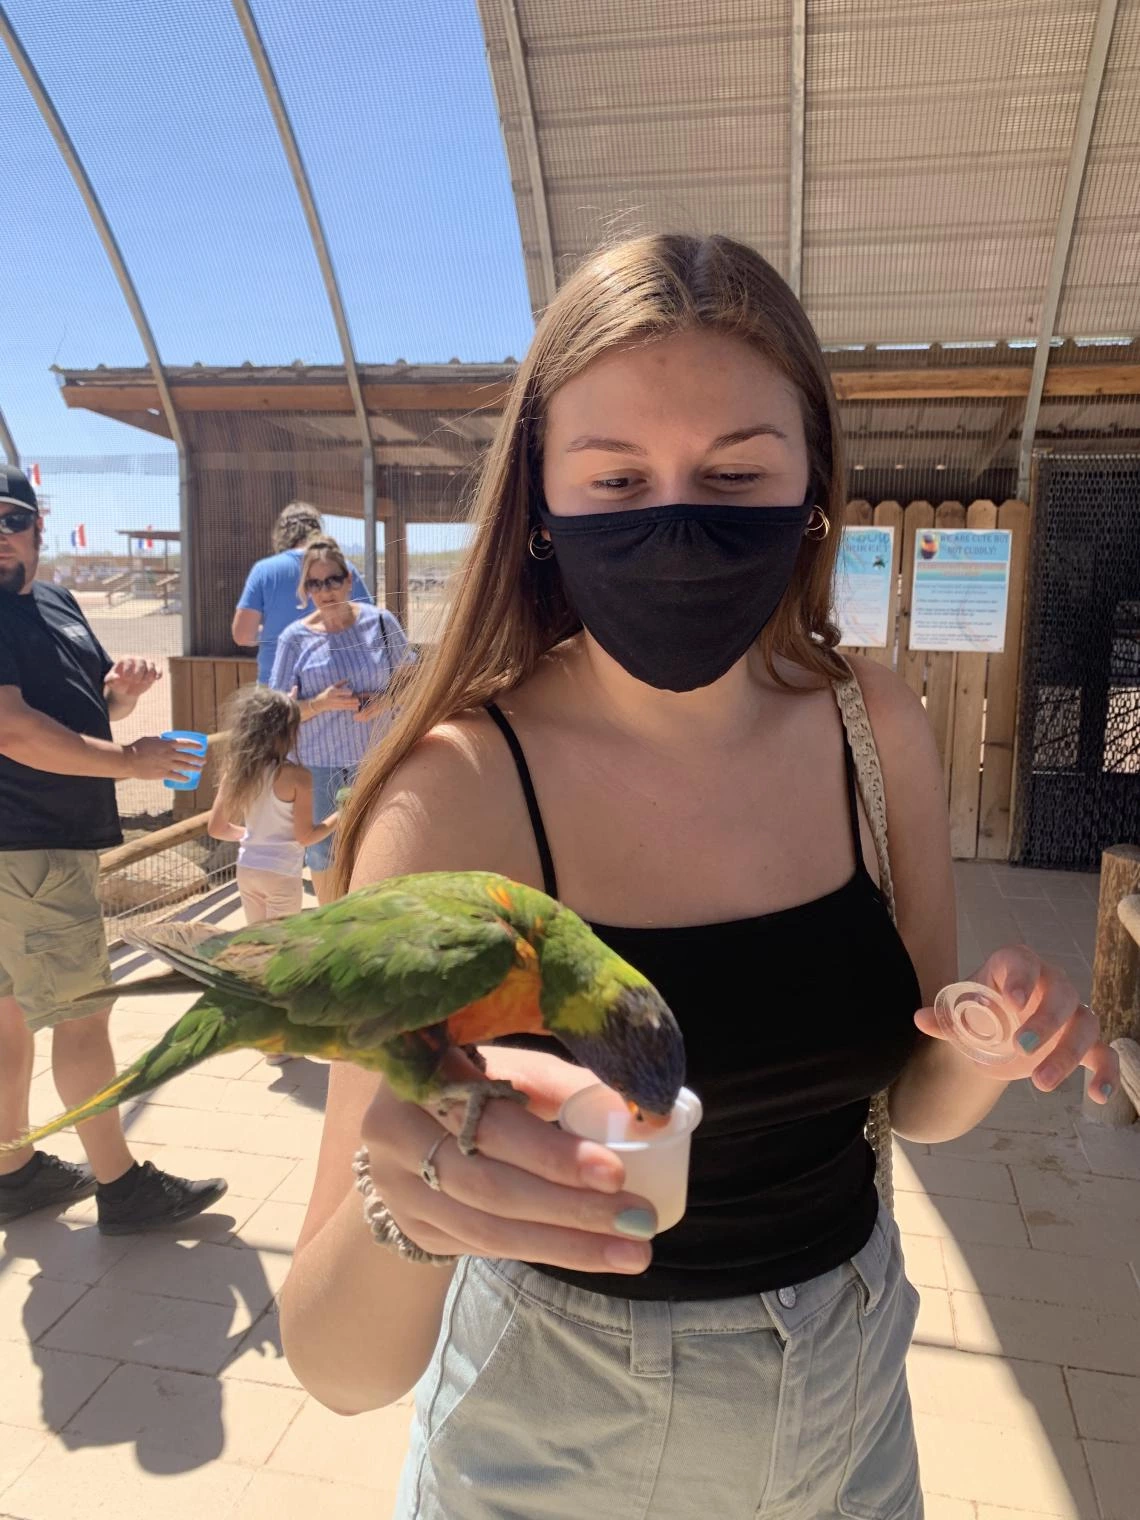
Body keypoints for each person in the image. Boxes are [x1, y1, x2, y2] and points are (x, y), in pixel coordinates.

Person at [277, 235, 1118, 1520]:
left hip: (855, 1401)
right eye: (617, 476)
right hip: (554, 1437)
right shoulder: (454, 797)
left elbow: (911, 1096)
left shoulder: (873, 730)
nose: (678, 521)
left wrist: (985, 1045)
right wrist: (416, 1211)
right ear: (541, 507)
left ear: (813, 488)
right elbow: (336, 1363)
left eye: (735, 472)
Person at [0, 463, 228, 1231]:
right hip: (26, 847)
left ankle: (13, 1168)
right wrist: (129, 761)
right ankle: (121, 1186)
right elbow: (14, 730)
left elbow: (74, 707)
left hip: (41, 844)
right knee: (82, 1016)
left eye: (8, 518)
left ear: (36, 525)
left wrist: (120, 698)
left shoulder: (53, 601)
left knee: (7, 1019)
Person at [269, 537, 411, 905]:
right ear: (305, 590)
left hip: (377, 760)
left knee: (381, 843)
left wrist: (386, 701)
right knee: (322, 852)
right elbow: (276, 713)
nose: (326, 591)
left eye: (332, 580)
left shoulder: (381, 623)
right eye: (315, 584)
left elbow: (414, 681)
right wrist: (318, 704)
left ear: (349, 580)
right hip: (318, 766)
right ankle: (333, 925)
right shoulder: (294, 640)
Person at [207, 685, 339, 924]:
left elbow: (217, 828)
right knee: (281, 948)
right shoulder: (298, 777)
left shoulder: (237, 772)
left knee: (258, 946)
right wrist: (342, 815)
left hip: (247, 869)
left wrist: (255, 835)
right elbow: (306, 837)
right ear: (288, 733)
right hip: (281, 872)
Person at [232, 501, 372, 684]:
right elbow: (369, 626)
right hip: (335, 684)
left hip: (278, 686)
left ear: (282, 534)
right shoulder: (342, 570)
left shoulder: (264, 571)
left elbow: (242, 635)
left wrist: (271, 634)